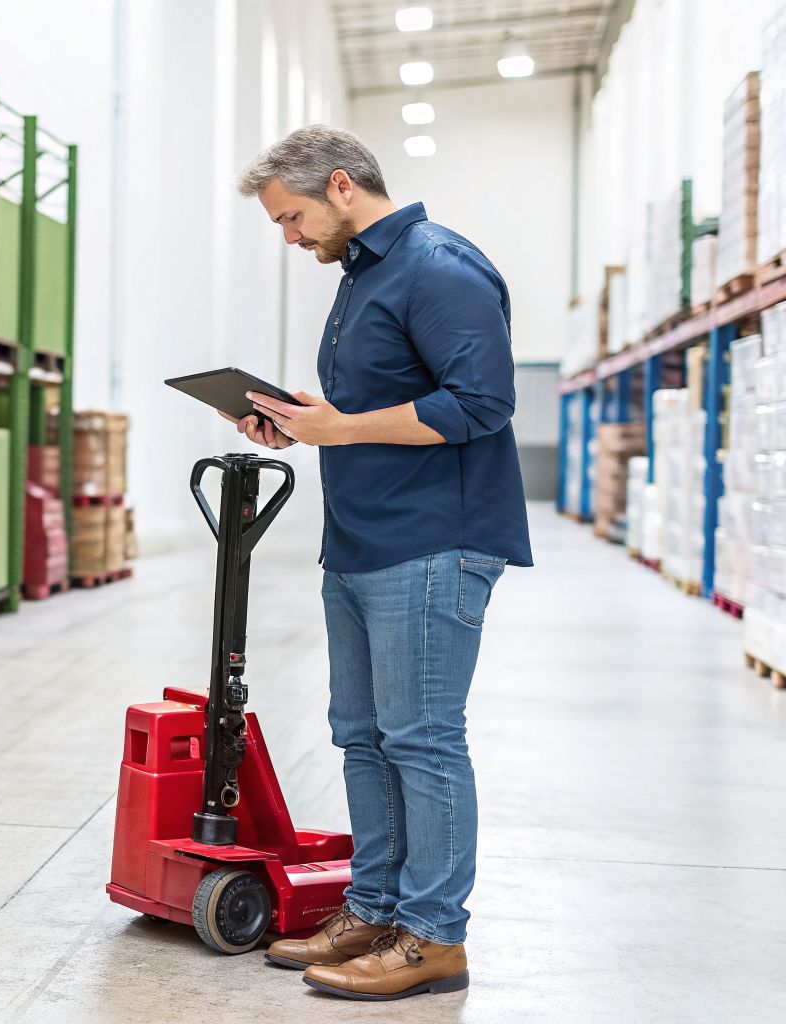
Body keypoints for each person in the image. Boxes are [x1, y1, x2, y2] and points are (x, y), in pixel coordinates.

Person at [228, 124, 532, 1001]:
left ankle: (434, 938)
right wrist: (296, 424)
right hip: (362, 538)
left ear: (340, 186)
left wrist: (343, 428)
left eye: (292, 218)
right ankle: (376, 906)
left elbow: (482, 404)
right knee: (363, 737)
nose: (289, 237)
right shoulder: (364, 273)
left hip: (435, 541)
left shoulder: (438, 265)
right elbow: (377, 402)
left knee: (423, 741)